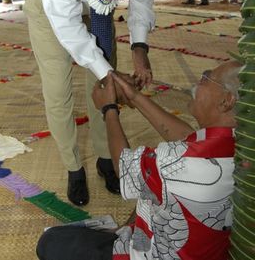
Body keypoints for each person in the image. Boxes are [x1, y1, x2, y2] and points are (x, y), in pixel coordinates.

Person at [24, 0, 158, 206]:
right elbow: (67, 23)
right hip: (51, 6)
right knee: (59, 88)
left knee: (102, 83)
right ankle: (73, 167)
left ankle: (104, 157)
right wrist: (106, 70)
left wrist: (139, 48)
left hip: (100, 4)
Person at [36, 60, 241, 260]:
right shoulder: (238, 146)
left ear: (226, 101)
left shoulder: (178, 162)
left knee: (50, 242)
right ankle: (126, 232)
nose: (198, 81)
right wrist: (133, 96)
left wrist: (108, 109)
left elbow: (124, 166)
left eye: (206, 77)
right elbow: (185, 136)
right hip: (204, 250)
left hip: (152, 252)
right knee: (151, 190)